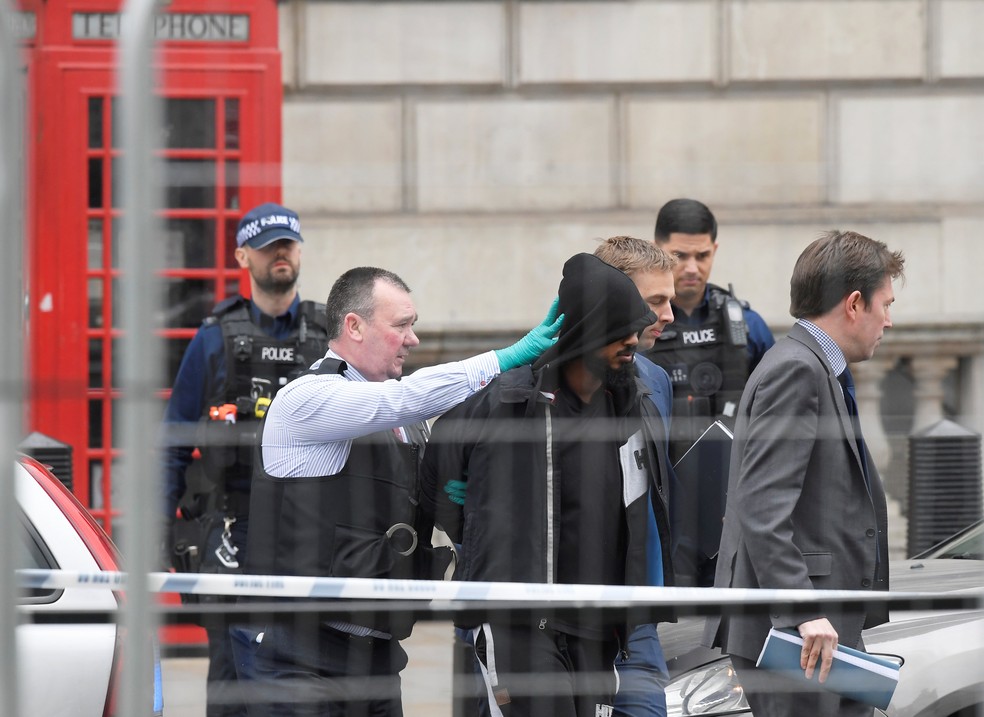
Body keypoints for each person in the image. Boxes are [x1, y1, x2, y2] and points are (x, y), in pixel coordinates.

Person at [238, 266, 563, 717]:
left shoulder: (407, 422)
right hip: (300, 660)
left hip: (379, 659)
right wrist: (506, 358)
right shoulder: (306, 398)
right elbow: (398, 399)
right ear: (354, 326)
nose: (412, 339)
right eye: (402, 326)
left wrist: (458, 495)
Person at [420, 253, 676, 717]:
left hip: (601, 624)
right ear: (588, 332)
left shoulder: (633, 403)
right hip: (520, 625)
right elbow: (440, 464)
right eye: (622, 330)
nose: (634, 341)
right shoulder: (510, 399)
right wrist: (472, 530)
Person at [703, 230, 904, 717]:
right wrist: (804, 610)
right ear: (854, 304)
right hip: (798, 632)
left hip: (818, 629)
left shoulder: (813, 367)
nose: (890, 321)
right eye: (885, 305)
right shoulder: (796, 370)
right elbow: (762, 506)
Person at [162, 202, 328, 717]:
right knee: (232, 682)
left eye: (288, 244)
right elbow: (173, 442)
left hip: (311, 532)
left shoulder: (330, 337)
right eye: (268, 246)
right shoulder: (213, 338)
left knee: (312, 678)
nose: (281, 254)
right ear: (242, 256)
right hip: (230, 530)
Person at [644, 198, 775, 587]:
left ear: (714, 251)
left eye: (702, 255)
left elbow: (779, 414)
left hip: (730, 499)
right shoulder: (635, 325)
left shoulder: (745, 325)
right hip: (660, 500)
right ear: (657, 249)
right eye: (678, 255)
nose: (691, 268)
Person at [593, 236, 676, 717]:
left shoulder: (657, 381)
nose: (669, 315)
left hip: (640, 615)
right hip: (567, 613)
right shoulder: (537, 384)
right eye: (656, 302)